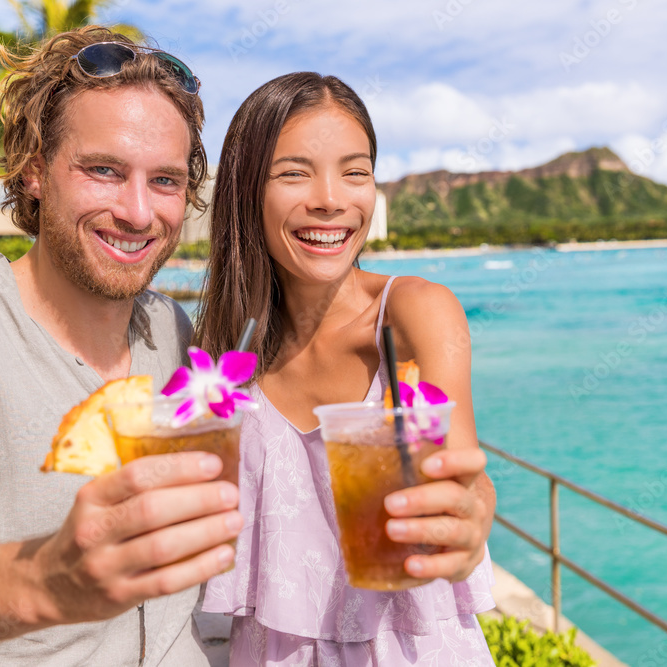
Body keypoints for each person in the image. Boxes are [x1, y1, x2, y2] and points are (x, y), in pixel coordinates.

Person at [0, 26, 242, 664]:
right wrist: (53, 581)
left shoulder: (175, 334)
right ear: (33, 174)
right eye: (103, 170)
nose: (138, 212)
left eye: (164, 181)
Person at [196, 72, 497, 664]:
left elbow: (462, 475)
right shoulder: (229, 345)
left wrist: (468, 519)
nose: (332, 198)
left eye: (355, 172)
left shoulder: (414, 312)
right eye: (294, 172)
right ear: (245, 190)